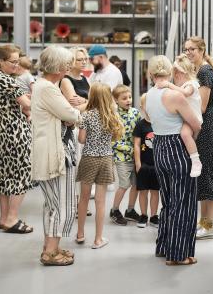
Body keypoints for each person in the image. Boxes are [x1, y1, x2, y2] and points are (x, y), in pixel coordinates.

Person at [145, 55, 202, 265]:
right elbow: (196, 124)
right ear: (171, 72)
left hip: (159, 148)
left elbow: (151, 119)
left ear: (150, 74)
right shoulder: (175, 96)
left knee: (168, 201)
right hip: (177, 148)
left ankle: (164, 246)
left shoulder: (148, 95)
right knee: (184, 203)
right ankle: (178, 255)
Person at [31, 45, 81, 266]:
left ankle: (51, 247)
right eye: (67, 64)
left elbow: (67, 116)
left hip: (52, 150)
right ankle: (50, 253)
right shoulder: (48, 89)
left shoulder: (43, 86)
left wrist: (70, 116)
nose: (69, 68)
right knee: (61, 204)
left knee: (53, 203)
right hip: (56, 153)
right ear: (59, 66)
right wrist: (73, 114)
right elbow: (70, 114)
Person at [0, 45, 33, 234]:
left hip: (3, 132)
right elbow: (28, 105)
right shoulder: (6, 79)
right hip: (15, 132)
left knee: (6, 176)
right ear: (1, 62)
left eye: (17, 61)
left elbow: (13, 100)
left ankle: (4, 219)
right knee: (21, 174)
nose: (16, 65)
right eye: (12, 62)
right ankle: (12, 218)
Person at [183, 36, 213, 240]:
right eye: (186, 49)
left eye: (192, 49)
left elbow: (203, 106)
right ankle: (203, 224)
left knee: (211, 177)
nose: (188, 52)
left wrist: (182, 110)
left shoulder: (205, 71)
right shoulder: (200, 70)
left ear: (201, 49)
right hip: (203, 126)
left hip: (209, 127)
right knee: (204, 178)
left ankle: (209, 226)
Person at [75, 83, 124, 249]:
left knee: (83, 198)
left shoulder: (86, 115)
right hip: (105, 159)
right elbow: (116, 136)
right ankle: (98, 239)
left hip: (89, 158)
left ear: (92, 96)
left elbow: (81, 139)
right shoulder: (112, 115)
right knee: (100, 201)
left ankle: (80, 234)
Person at [155, 54, 203, 177]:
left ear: (182, 74)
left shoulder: (192, 84)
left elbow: (186, 94)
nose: (174, 78)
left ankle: (196, 161)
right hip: (185, 118)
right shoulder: (182, 85)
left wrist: (168, 85)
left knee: (185, 134)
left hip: (192, 118)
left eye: (176, 75)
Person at [59, 47, 91, 217]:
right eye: (80, 59)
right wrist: (90, 102)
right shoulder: (66, 80)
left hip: (85, 125)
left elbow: (90, 101)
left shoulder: (85, 79)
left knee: (83, 167)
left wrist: (86, 101)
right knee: (75, 166)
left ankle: (81, 203)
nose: (84, 61)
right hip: (74, 126)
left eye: (85, 58)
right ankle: (75, 204)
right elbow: (74, 107)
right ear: (71, 61)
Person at [109, 84, 142, 225]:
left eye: (129, 97)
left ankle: (130, 210)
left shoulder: (136, 113)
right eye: (124, 98)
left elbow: (140, 132)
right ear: (116, 100)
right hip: (121, 157)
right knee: (124, 184)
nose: (128, 100)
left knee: (136, 184)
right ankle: (114, 210)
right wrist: (130, 149)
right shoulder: (113, 116)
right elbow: (112, 141)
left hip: (136, 156)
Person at [133, 94, 160, 228]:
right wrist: (138, 163)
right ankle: (143, 215)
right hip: (143, 164)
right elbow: (137, 145)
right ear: (142, 107)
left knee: (155, 191)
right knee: (143, 191)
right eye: (146, 106)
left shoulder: (160, 123)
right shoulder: (140, 125)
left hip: (158, 164)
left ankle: (154, 216)